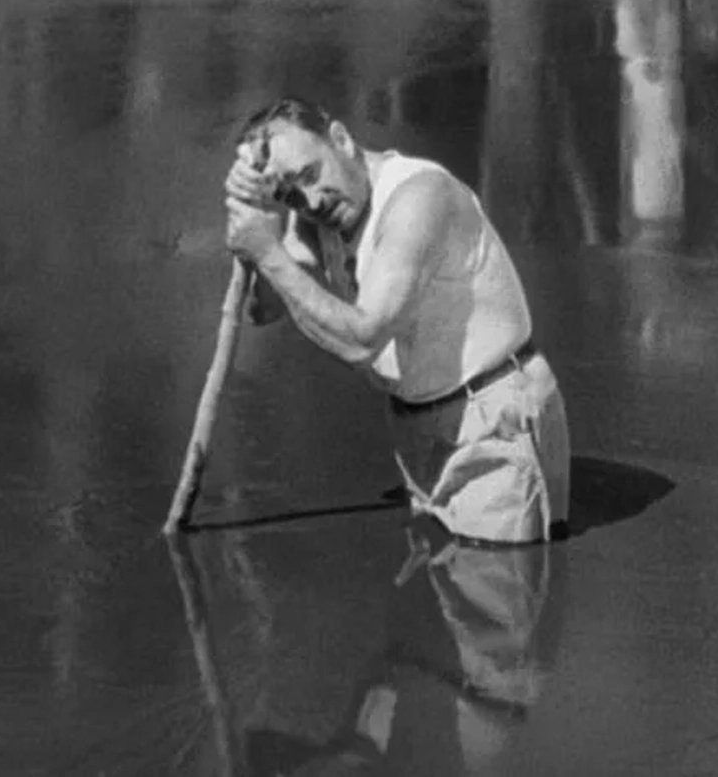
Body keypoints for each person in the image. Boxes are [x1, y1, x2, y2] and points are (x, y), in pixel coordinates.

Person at [223, 97, 570, 544]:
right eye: (291, 193)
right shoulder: (318, 214)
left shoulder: (418, 199)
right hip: (418, 427)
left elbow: (363, 340)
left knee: (498, 589)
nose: (311, 199)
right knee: (447, 587)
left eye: (311, 174)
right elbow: (263, 307)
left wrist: (267, 253)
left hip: (492, 416)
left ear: (342, 139)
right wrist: (259, 219)